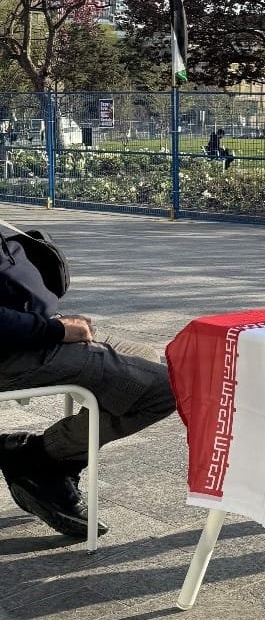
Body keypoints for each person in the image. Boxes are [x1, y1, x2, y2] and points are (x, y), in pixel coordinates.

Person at [0, 221, 176, 539]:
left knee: (144, 358)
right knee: (163, 388)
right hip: (15, 350)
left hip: (32, 329)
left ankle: (44, 460)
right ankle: (40, 461)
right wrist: (57, 331)